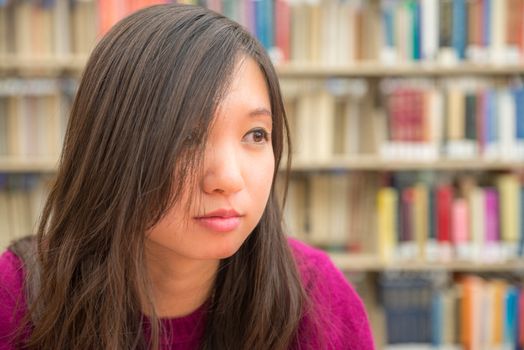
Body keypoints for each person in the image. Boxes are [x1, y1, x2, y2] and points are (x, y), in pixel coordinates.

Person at [0, 4, 374, 350]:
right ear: (111, 147)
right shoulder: (16, 299)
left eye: (256, 135)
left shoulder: (318, 299)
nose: (228, 179)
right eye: (186, 139)